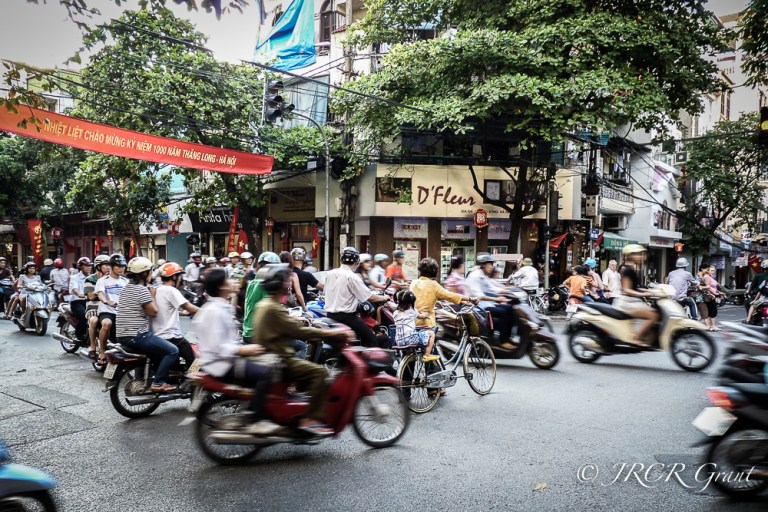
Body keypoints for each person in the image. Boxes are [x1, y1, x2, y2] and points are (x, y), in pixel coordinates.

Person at [252, 265, 353, 435]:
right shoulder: (274, 308)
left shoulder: (265, 304)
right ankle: (310, 419)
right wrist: (332, 333)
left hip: (270, 354)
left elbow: (287, 324)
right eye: (287, 281)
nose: (290, 284)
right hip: (280, 359)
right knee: (319, 373)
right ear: (280, 285)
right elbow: (299, 332)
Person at [194, 267, 280, 435]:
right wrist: (245, 350)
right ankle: (257, 419)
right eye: (229, 280)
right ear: (222, 286)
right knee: (266, 374)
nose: (233, 281)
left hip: (225, 360)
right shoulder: (214, 311)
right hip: (222, 364)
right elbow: (219, 347)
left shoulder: (220, 307)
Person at [115, 257, 179, 393]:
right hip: (137, 335)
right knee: (172, 350)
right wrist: (152, 295)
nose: (151, 274)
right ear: (144, 273)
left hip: (122, 335)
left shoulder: (126, 288)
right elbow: (154, 312)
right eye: (150, 271)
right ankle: (158, 382)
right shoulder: (142, 290)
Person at [324, 247, 390, 347]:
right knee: (371, 340)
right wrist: (384, 298)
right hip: (347, 317)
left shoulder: (330, 273)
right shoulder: (352, 276)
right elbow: (369, 297)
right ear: (357, 262)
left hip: (329, 315)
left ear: (341, 260)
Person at [464, 253, 517, 349]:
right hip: (477, 307)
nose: (492, 267)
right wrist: (496, 299)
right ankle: (503, 340)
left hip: (487, 304)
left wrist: (509, 290)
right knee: (504, 312)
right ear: (483, 264)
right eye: (490, 264)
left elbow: (492, 288)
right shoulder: (474, 276)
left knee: (510, 308)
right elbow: (479, 296)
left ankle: (508, 338)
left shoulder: (484, 276)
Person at [152, 262, 200, 367]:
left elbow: (165, 309)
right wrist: (208, 312)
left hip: (157, 335)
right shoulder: (171, 290)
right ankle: (189, 382)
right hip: (171, 336)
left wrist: (182, 314)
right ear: (174, 277)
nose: (180, 279)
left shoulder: (157, 289)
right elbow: (189, 307)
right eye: (179, 276)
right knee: (194, 359)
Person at [410, 257, 474, 328]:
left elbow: (419, 298)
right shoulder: (433, 284)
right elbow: (450, 295)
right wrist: (470, 299)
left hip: (413, 321)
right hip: (427, 323)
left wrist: (435, 302)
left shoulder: (413, 283)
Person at [613, 245, 657, 347]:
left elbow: (634, 287)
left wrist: (650, 291)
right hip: (627, 302)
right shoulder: (627, 270)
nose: (641, 256)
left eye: (640, 254)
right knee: (653, 315)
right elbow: (627, 290)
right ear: (629, 255)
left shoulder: (633, 268)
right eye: (637, 254)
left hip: (633, 301)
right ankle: (635, 338)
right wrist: (643, 294)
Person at [94, 254, 129, 365]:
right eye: (118, 266)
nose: (121, 268)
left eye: (123, 266)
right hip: (107, 311)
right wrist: (106, 301)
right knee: (107, 324)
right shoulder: (103, 280)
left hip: (122, 312)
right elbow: (100, 293)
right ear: (111, 266)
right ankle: (102, 351)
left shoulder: (126, 282)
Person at [241, 251, 281, 342]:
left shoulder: (252, 283)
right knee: (301, 346)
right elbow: (273, 309)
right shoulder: (265, 285)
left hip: (247, 332)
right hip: (258, 334)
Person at [394, 290, 438, 362]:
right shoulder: (412, 311)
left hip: (399, 341)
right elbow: (422, 316)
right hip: (410, 339)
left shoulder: (395, 312)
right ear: (411, 302)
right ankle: (427, 355)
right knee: (431, 334)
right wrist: (427, 314)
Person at [85, 255, 110, 359]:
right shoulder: (90, 279)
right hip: (93, 307)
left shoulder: (111, 279)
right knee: (94, 320)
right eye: (106, 265)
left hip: (108, 307)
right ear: (98, 266)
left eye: (110, 265)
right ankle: (92, 346)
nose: (108, 267)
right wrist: (100, 290)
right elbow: (90, 296)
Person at [68, 257, 93, 342]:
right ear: (80, 267)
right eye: (86, 266)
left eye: (90, 266)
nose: (88, 267)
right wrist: (79, 294)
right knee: (84, 316)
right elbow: (74, 288)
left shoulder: (93, 277)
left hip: (90, 301)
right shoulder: (75, 277)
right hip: (77, 302)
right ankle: (78, 335)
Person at [703, 265, 722, 331]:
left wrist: (718, 292)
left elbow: (713, 287)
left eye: (714, 271)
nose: (713, 272)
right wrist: (713, 294)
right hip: (710, 296)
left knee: (711, 311)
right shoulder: (707, 277)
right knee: (712, 311)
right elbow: (708, 287)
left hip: (712, 295)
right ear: (708, 271)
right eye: (711, 270)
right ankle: (712, 326)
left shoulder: (709, 277)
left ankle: (711, 326)